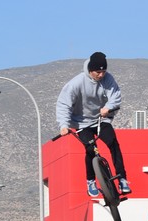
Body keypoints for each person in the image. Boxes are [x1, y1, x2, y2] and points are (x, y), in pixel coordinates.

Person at [56, 51, 131, 198]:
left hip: (100, 119)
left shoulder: (108, 79)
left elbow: (115, 96)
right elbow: (63, 105)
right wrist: (63, 125)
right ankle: (91, 181)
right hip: (81, 123)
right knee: (91, 149)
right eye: (98, 72)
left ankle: (122, 178)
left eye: (103, 71)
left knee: (113, 143)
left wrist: (108, 108)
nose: (101, 75)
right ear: (90, 70)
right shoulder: (76, 83)